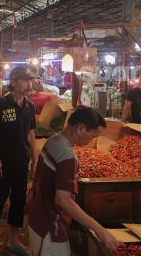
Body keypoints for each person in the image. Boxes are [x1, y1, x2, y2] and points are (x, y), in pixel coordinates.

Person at [27, 106, 121, 255]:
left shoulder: (53, 140)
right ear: (80, 128)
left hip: (37, 217)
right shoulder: (68, 157)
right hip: (51, 227)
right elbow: (63, 200)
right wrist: (100, 230)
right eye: (93, 135)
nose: (93, 139)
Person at [0, 67, 37, 256]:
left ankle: (13, 239)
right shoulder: (0, 105)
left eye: (30, 80)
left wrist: (35, 160)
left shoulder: (30, 106)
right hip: (2, 165)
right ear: (14, 82)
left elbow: (31, 134)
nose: (29, 84)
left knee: (18, 203)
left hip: (21, 164)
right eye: (25, 80)